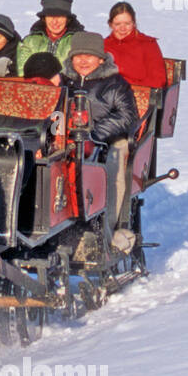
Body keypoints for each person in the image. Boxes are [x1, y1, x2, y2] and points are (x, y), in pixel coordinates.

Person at [61, 32, 139, 253]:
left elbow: (127, 116)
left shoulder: (115, 84)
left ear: (101, 59)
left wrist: (94, 134)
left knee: (115, 163)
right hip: (67, 139)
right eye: (78, 56)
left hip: (106, 141)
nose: (83, 61)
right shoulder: (64, 80)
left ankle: (109, 229)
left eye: (89, 56)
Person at [16, 0, 85, 74]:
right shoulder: (29, 42)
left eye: (60, 16)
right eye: (50, 16)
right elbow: (23, 73)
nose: (55, 22)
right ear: (44, 18)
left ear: (68, 19)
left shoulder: (80, 41)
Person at [104, 1, 167, 88]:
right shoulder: (104, 45)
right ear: (110, 24)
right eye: (117, 24)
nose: (123, 28)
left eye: (127, 24)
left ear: (134, 23)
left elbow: (158, 80)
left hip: (139, 94)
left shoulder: (147, 44)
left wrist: (126, 86)